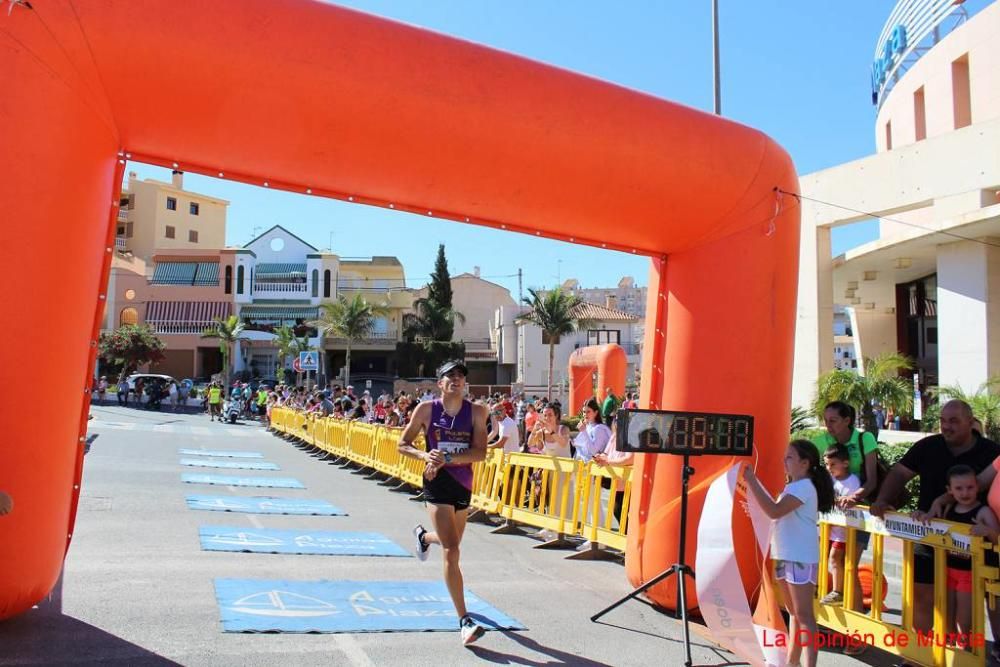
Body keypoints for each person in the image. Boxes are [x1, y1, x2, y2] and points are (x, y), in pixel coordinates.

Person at [871, 400, 1000, 634]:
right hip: (927, 534)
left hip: (970, 544)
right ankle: (918, 655)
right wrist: (882, 499)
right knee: (921, 596)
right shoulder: (928, 446)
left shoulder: (991, 452)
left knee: (968, 607)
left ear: (970, 423)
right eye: (942, 420)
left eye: (953, 421)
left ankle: (964, 654)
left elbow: (982, 483)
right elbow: (900, 473)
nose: (946, 426)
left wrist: (944, 500)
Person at [397, 360, 489, 646]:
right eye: (450, 376)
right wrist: (426, 457)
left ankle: (423, 537)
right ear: (440, 383)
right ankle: (464, 621)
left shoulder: (477, 412)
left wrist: (448, 458)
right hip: (436, 482)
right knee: (452, 550)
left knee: (452, 541)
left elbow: (480, 453)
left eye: (461, 376)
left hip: (463, 483)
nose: (457, 380)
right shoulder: (426, 410)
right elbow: (403, 444)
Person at [743, 440, 835, 667]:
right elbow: (776, 515)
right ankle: (792, 662)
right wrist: (756, 507)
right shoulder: (794, 487)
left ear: (805, 463)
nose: (785, 461)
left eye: (790, 458)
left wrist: (751, 481)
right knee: (794, 613)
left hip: (799, 556)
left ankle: (808, 664)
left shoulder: (803, 487)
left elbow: (774, 511)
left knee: (804, 616)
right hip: (786, 554)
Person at [811, 400, 878, 613]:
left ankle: (857, 622)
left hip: (858, 514)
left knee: (849, 565)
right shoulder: (821, 441)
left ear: (847, 420)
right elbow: (808, 468)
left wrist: (854, 497)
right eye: (826, 421)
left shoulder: (864, 438)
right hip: (831, 515)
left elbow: (872, 480)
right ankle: (831, 616)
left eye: (833, 421)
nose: (828, 425)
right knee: (828, 563)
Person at [937, 464, 1000, 641]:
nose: (965, 493)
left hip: (971, 573)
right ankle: (952, 651)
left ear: (977, 487)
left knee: (964, 619)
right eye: (959, 488)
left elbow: (997, 539)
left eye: (970, 487)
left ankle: (966, 650)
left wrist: (988, 531)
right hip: (948, 570)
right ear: (949, 490)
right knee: (947, 616)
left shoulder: (983, 512)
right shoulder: (949, 510)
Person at [819, 445, 861, 613]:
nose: (829, 469)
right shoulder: (830, 480)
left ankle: (838, 591)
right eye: (827, 465)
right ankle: (819, 585)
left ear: (845, 463)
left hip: (843, 530)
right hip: (829, 526)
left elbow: (851, 502)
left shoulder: (852, 481)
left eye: (833, 465)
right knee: (824, 556)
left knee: (835, 558)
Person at [573, 398, 613, 462]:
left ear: (595, 412)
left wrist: (584, 432)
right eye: (584, 412)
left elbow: (594, 452)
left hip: (595, 468)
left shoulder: (599, 429)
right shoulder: (588, 426)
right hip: (583, 466)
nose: (585, 414)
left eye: (588, 411)